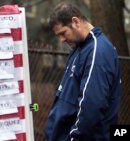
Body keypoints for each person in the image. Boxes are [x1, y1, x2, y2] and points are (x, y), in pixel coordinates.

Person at [44, 2, 122, 141]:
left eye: (63, 33)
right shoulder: (80, 48)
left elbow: (91, 107)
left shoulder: (97, 51)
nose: (62, 40)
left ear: (75, 21)